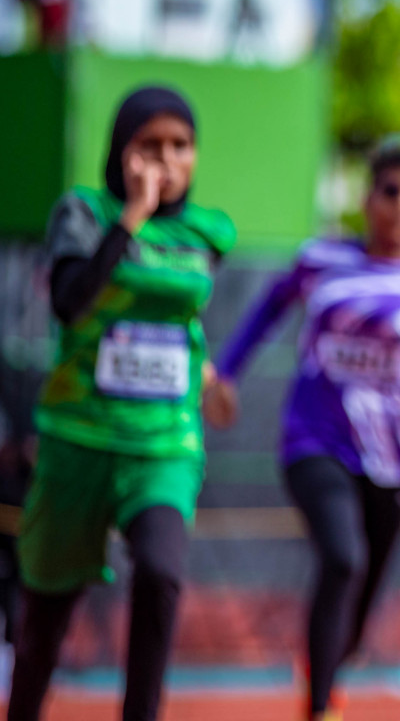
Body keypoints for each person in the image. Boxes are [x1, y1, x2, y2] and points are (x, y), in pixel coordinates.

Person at [212, 146, 400, 721]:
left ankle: (327, 668)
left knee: (363, 593)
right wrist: (225, 373)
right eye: (390, 191)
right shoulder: (320, 261)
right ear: (367, 199)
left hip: (395, 462)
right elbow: (264, 312)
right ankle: (321, 707)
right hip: (315, 440)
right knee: (342, 559)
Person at [9, 86, 237, 721]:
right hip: (78, 438)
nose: (166, 159)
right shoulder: (83, 212)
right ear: (120, 150)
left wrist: (210, 375)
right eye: (149, 145)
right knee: (46, 615)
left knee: (162, 572)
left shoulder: (208, 234)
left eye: (180, 146)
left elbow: (175, 324)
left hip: (163, 442)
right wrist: (130, 217)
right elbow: (70, 302)